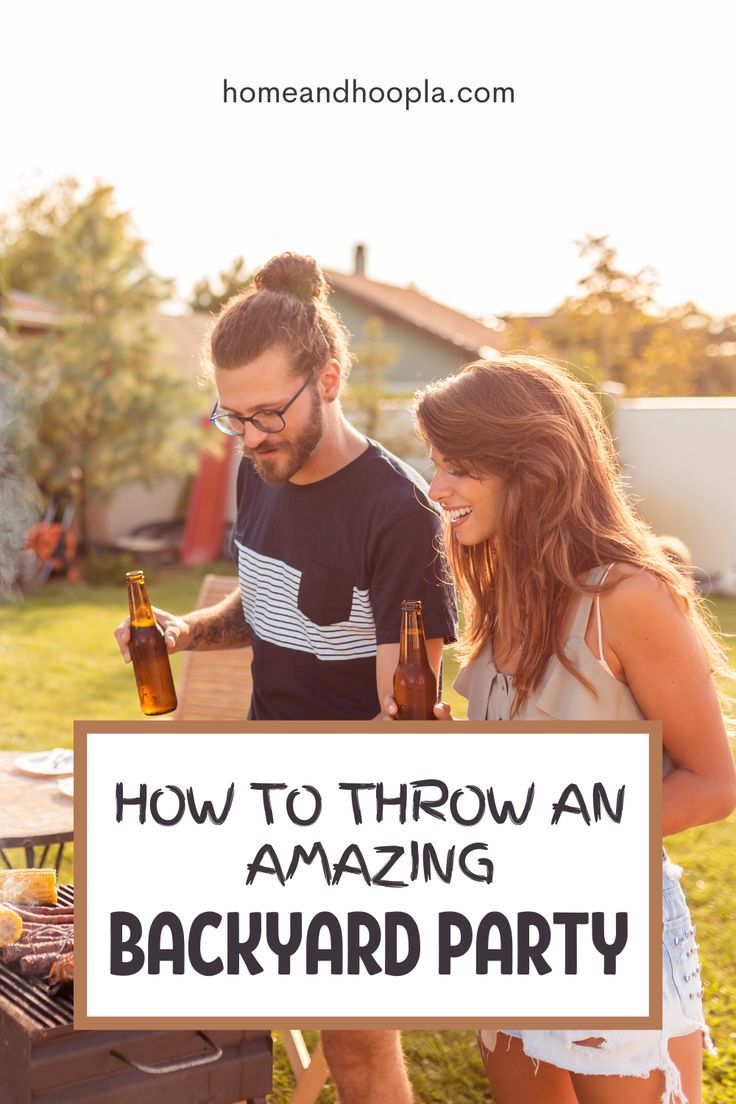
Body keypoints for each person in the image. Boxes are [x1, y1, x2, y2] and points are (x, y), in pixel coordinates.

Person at [115, 252, 457, 1104]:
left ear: (330, 379)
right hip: (261, 787)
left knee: (357, 1050)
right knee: (205, 1021)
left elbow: (403, 722)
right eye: (232, 418)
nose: (253, 435)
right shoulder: (256, 468)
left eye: (269, 412)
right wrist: (187, 630)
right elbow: (268, 603)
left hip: (351, 822)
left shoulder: (399, 515)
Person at [383, 355, 736, 1104]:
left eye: (458, 468)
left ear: (531, 465)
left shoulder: (628, 597)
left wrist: (564, 834)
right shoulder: (503, 590)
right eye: (436, 465)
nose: (436, 488)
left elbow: (712, 781)